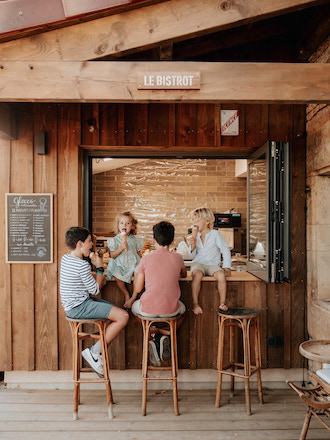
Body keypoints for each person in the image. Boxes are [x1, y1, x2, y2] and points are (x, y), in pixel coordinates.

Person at [60, 226, 129, 377]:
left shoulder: (66, 259)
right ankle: (94, 352)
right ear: (80, 244)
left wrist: (94, 274)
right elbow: (96, 289)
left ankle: (97, 351)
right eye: (89, 241)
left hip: (75, 305)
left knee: (115, 310)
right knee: (123, 316)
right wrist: (99, 268)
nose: (91, 245)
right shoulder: (82, 265)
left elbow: (81, 279)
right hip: (80, 307)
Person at [130, 221, 187, 366]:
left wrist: (137, 273)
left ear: (154, 240)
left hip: (147, 310)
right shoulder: (178, 257)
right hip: (172, 311)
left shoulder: (146, 258)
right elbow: (184, 275)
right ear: (173, 241)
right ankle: (165, 333)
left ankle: (152, 333)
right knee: (184, 311)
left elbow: (137, 289)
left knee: (133, 310)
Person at [188, 207, 231, 315]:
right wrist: (192, 245)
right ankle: (195, 303)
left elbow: (225, 250)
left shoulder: (215, 234)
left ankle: (222, 303)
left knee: (221, 275)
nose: (194, 222)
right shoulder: (195, 235)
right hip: (199, 263)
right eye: (192, 220)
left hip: (212, 264)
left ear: (207, 221)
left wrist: (227, 267)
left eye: (196, 220)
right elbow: (192, 255)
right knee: (197, 275)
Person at [106, 211, 144, 307]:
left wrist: (143, 260)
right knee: (116, 272)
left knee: (138, 271)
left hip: (133, 263)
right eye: (122, 223)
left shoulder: (135, 240)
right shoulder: (115, 240)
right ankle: (126, 293)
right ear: (118, 226)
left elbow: (139, 253)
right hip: (120, 264)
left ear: (132, 226)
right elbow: (113, 255)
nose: (125, 225)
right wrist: (121, 248)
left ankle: (133, 297)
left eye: (128, 223)